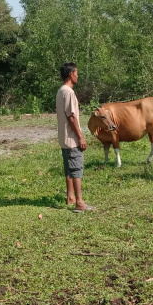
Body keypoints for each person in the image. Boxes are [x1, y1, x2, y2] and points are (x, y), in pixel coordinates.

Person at [56, 62, 94, 212]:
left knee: (69, 169)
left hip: (64, 138)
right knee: (77, 169)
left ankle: (70, 197)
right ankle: (79, 202)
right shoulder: (69, 92)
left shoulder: (61, 91)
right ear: (71, 74)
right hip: (72, 139)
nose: (78, 76)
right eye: (77, 73)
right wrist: (81, 137)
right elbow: (71, 117)